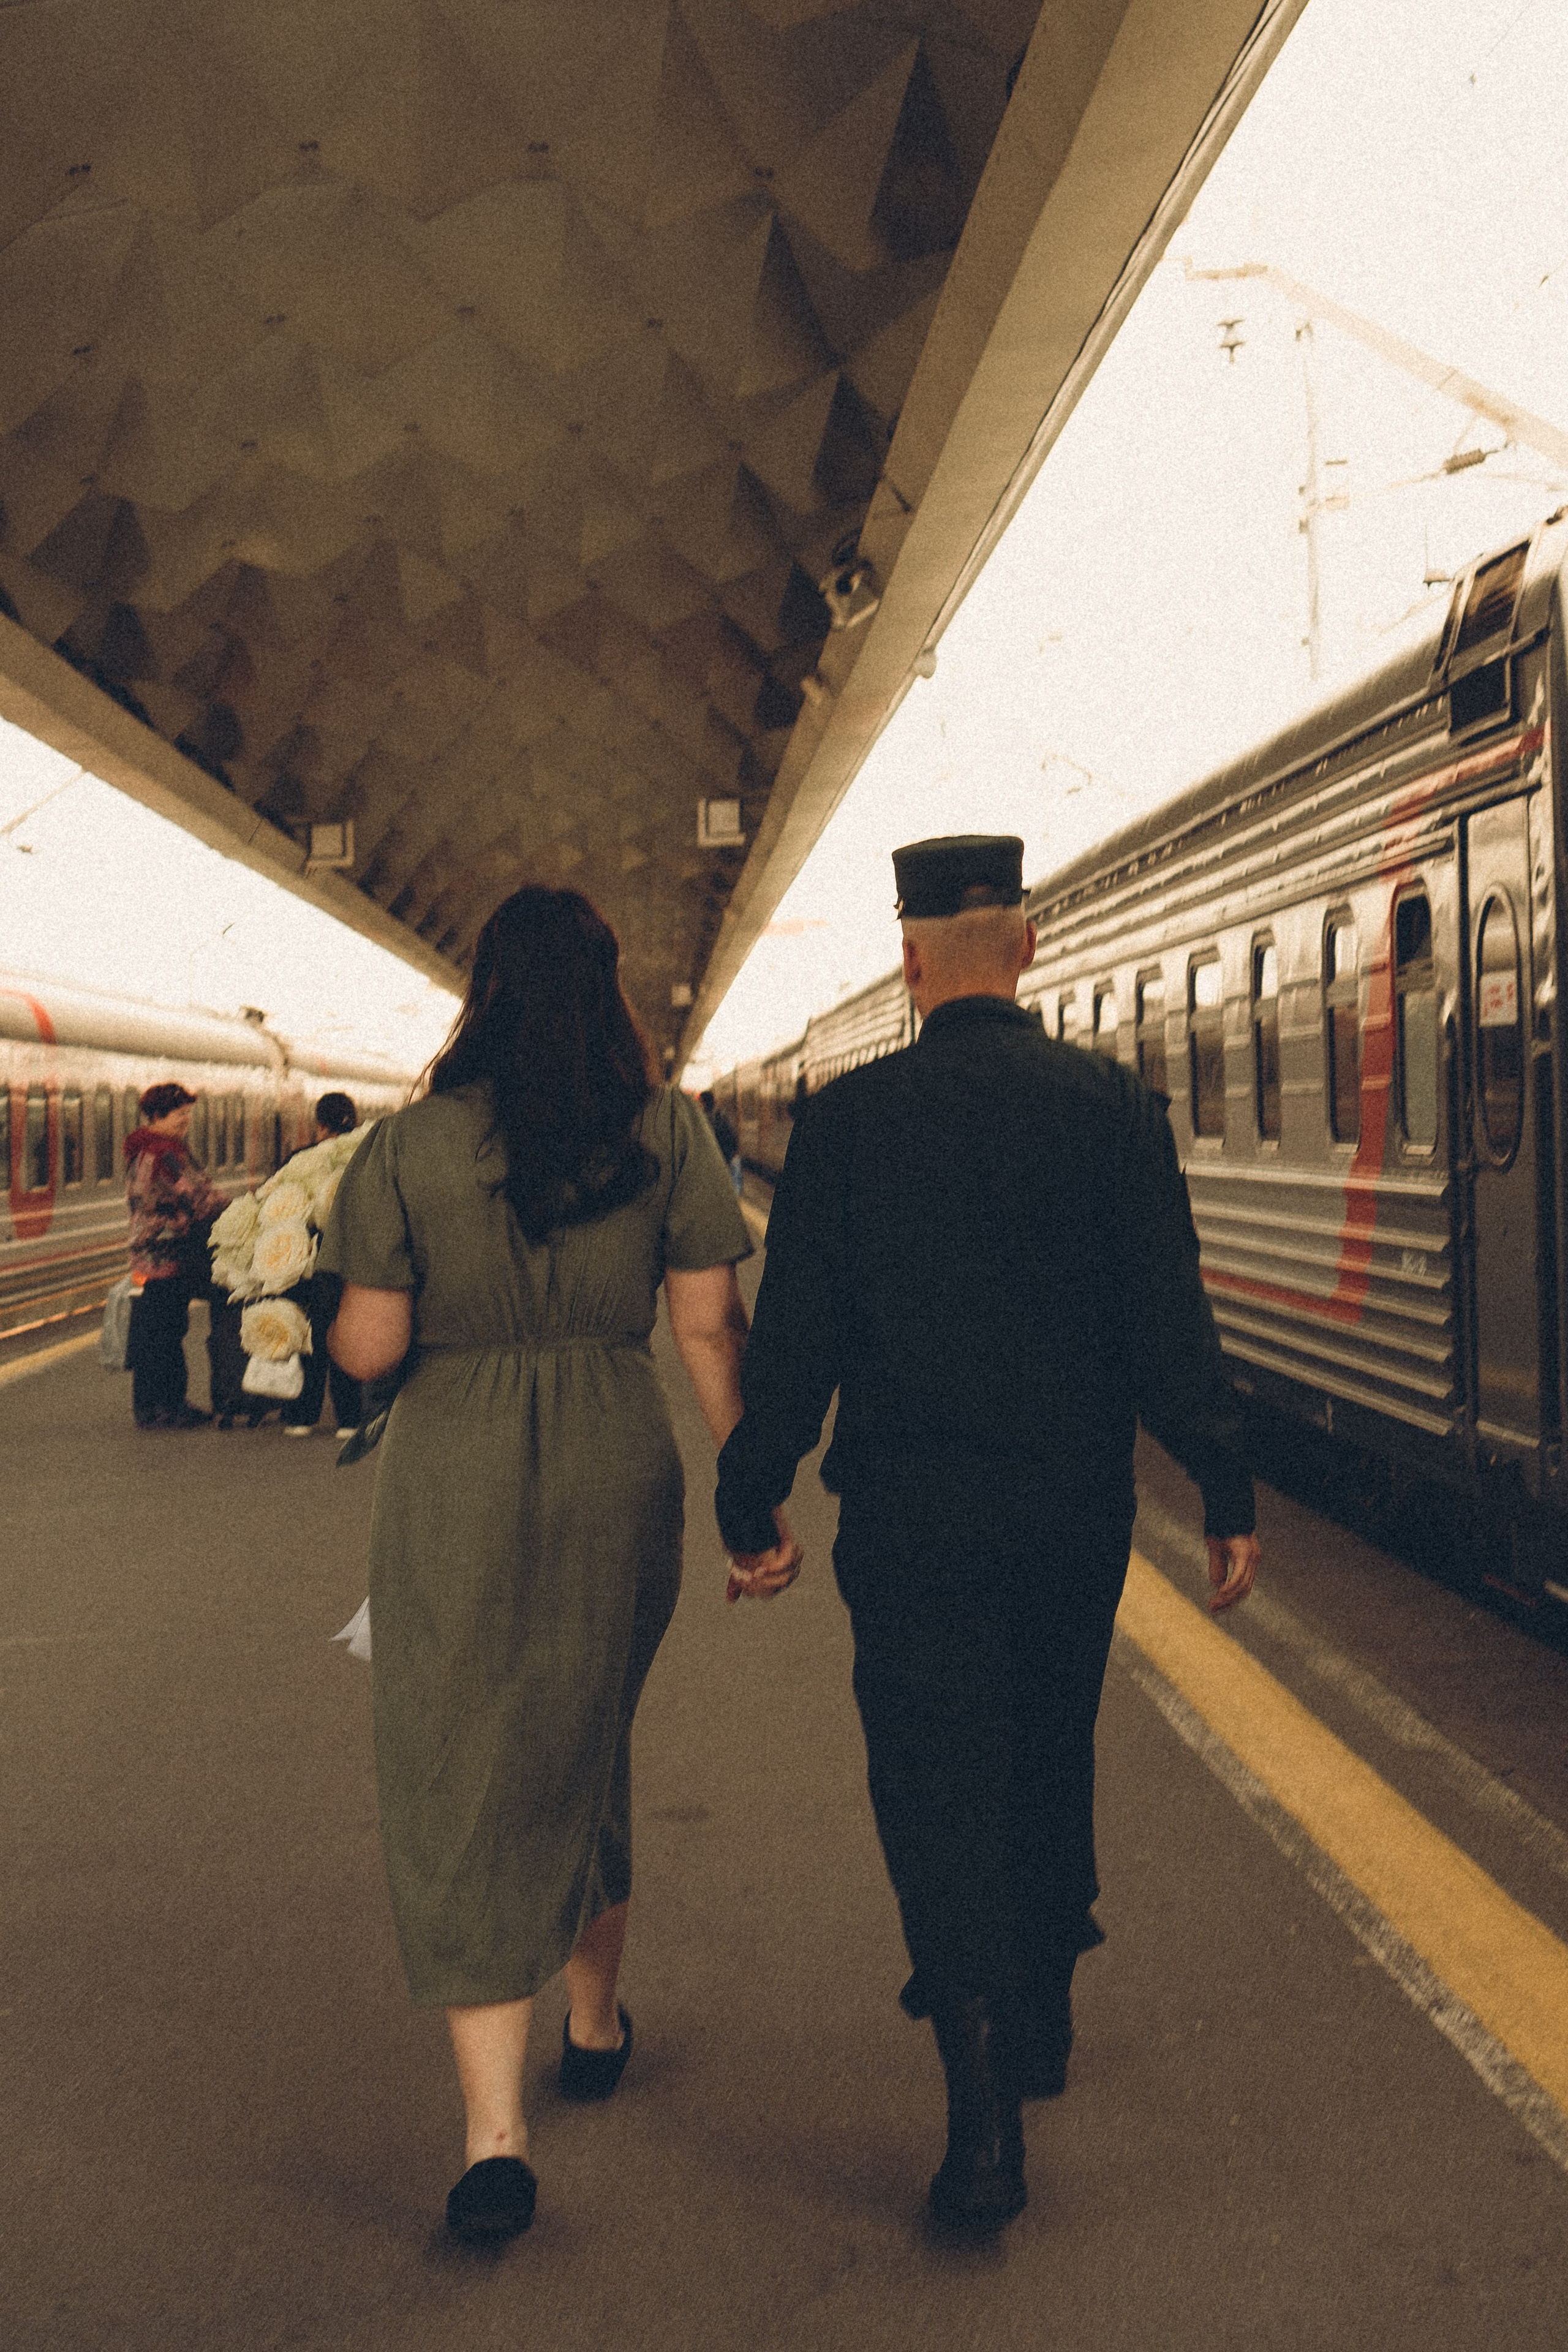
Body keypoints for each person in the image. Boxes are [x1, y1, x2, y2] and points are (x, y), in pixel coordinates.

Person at [714, 834, 1259, 2236]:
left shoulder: (844, 1125)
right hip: (1068, 1516)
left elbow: (797, 1342)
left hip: (907, 1523)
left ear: (909, 963)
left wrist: (748, 1484)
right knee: (1041, 1750)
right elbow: (1165, 1324)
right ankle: (1044, 2012)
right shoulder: (1108, 1111)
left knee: (932, 1785)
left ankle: (978, 2124)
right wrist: (1225, 1485)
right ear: (1022, 948)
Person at [318, 886, 799, 2246]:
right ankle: (591, 2025)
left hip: (454, 1469)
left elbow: (364, 1353)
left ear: (480, 998)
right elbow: (709, 1334)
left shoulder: (406, 1151)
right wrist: (749, 1502)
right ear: (607, 993)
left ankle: (494, 2138)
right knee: (581, 1737)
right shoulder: (664, 1135)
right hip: (613, 1460)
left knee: (463, 1762)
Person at [123, 1082, 232, 1431]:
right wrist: (243, 1208)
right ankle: (168, 1406)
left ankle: (150, 1406)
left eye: (188, 1115)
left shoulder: (141, 1148)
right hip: (167, 1251)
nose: (186, 1121)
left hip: (148, 1251)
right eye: (180, 1114)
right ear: (157, 1115)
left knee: (155, 1331)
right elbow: (199, 1195)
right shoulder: (164, 1153)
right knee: (167, 1332)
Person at [280, 1091, 374, 1441]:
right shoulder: (365, 1156)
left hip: (306, 1260)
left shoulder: (300, 1159)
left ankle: (302, 1416)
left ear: (319, 1124)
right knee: (344, 1333)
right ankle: (349, 1418)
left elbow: (280, 1206)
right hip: (351, 1260)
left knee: (310, 1336)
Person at [699, 1088, 744, 1197]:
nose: (698, 1105)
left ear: (704, 1103)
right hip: (729, 1156)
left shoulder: (705, 1120)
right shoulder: (721, 1115)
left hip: (722, 1157)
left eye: (700, 1102)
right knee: (734, 1187)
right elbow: (731, 1135)